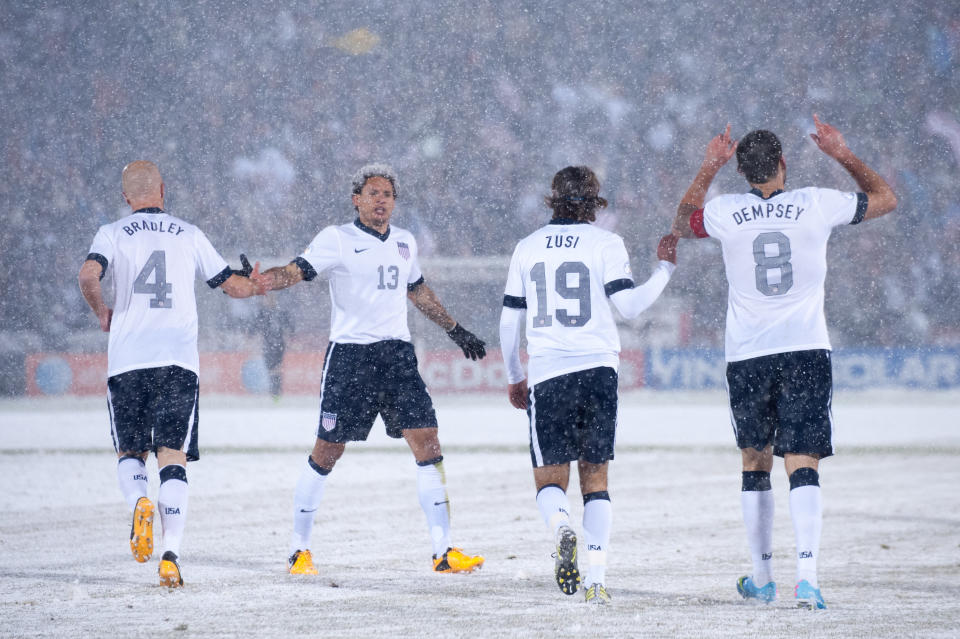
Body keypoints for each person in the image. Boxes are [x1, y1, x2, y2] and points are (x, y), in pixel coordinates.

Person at [670, 116, 897, 609]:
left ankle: (762, 578)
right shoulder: (816, 201)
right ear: (783, 164)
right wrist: (842, 154)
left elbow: (681, 220)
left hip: (749, 352)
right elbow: (886, 199)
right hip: (806, 348)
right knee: (803, 462)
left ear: (742, 171)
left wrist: (709, 165)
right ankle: (808, 579)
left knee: (756, 460)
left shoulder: (727, 211)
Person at [251, 163, 487, 576]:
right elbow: (296, 270)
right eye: (373, 193)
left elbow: (417, 290)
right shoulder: (337, 239)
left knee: (427, 442)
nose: (381, 201)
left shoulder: (404, 242)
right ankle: (298, 550)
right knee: (327, 451)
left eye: (388, 195)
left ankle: (444, 550)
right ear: (356, 199)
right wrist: (266, 280)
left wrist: (456, 329)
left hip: (397, 356)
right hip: (351, 358)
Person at [78, 161, 266, 587]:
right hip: (178, 361)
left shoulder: (110, 232)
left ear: (127, 197)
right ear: (163, 190)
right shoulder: (189, 233)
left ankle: (139, 502)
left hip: (128, 360)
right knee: (173, 455)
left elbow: (87, 275)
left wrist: (102, 311)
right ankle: (170, 555)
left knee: (131, 452)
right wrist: (257, 282)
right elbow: (232, 286)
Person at [499, 166, 678, 605]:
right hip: (598, 368)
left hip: (549, 371)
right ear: (594, 201)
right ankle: (596, 578)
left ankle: (563, 529)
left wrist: (514, 376)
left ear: (553, 197)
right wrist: (665, 271)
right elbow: (630, 306)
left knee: (549, 480)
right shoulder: (606, 243)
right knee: (595, 478)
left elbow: (509, 320)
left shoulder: (528, 247)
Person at [255, 294, 293, 400]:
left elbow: (289, 328)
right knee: (271, 369)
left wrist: (288, 339)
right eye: (267, 299)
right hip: (267, 345)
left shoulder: (281, 313)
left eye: (271, 298)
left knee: (276, 368)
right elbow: (257, 330)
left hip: (278, 344)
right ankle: (274, 392)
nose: (269, 301)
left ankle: (276, 393)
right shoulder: (262, 313)